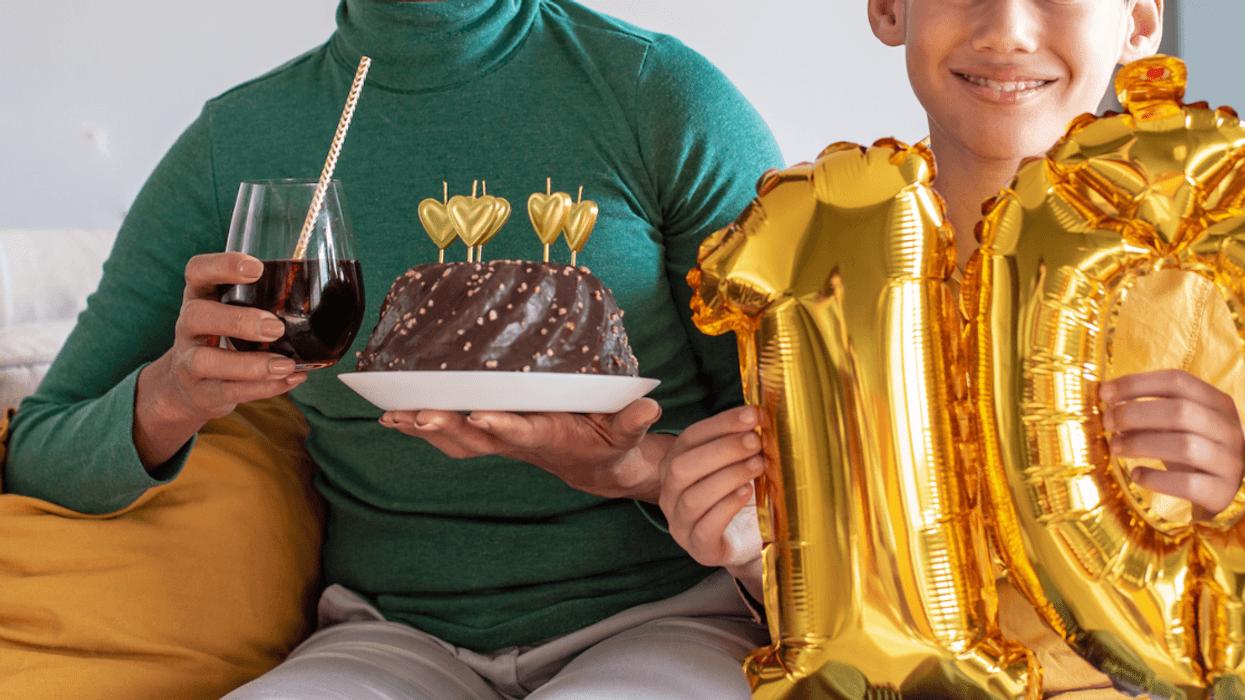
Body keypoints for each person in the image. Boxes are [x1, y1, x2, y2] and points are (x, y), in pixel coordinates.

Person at [5, 0, 785, 698]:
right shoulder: (239, 138)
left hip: (668, 619)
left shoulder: (660, 92)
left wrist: (629, 469)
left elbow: (802, 441)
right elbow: (40, 448)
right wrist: (174, 395)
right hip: (386, 637)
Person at [661, 0, 1245, 690]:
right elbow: (841, 616)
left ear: (1139, 22)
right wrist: (750, 555)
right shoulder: (809, 266)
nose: (1005, 30)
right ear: (887, 10)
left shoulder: (1215, 274)